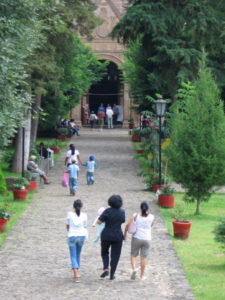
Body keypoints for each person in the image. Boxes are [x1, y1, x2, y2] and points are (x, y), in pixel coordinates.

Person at [124, 201, 155, 280]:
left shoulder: (135, 216)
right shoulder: (151, 217)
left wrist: (125, 233)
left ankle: (134, 268)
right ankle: (141, 276)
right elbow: (151, 225)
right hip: (147, 239)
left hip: (137, 237)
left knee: (133, 255)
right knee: (143, 257)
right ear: (148, 208)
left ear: (140, 207)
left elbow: (128, 225)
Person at [97, 195, 125, 280]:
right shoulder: (122, 212)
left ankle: (106, 268)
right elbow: (123, 220)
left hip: (106, 235)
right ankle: (112, 274)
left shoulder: (107, 211)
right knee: (115, 255)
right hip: (118, 235)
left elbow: (98, 221)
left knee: (104, 252)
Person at [66, 199, 88, 283]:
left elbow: (67, 225)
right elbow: (85, 226)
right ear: (81, 207)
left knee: (73, 255)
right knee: (78, 253)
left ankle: (75, 271)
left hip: (72, 235)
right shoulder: (84, 215)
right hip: (81, 235)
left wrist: (68, 233)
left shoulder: (69, 214)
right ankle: (77, 269)